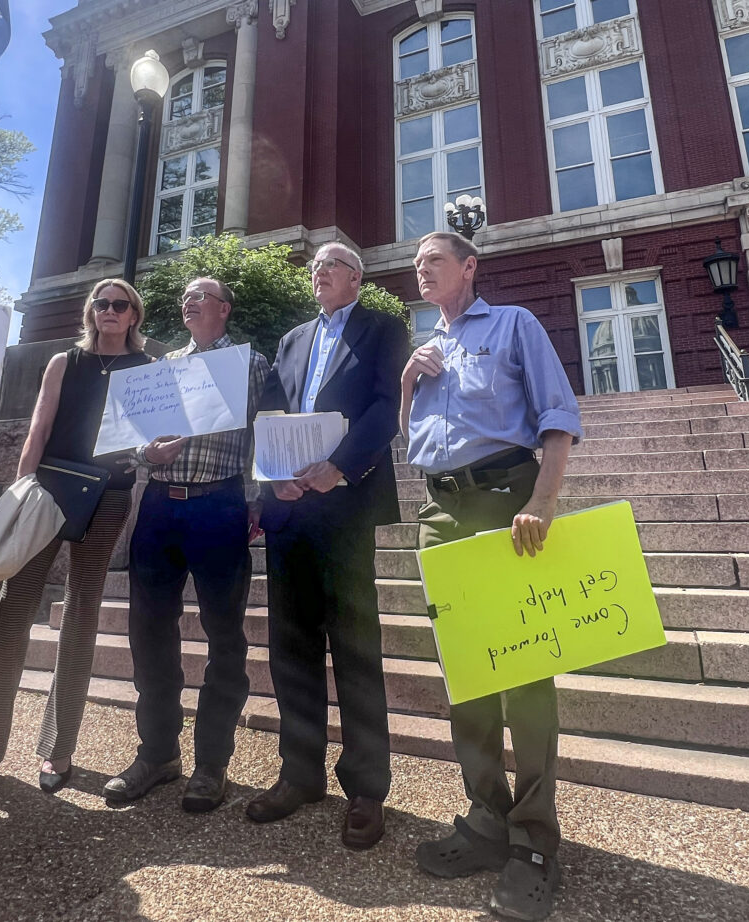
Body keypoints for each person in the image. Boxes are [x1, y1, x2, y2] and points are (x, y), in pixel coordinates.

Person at [402, 231, 583, 921]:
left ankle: (535, 841)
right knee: (466, 671)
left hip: (505, 504)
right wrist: (406, 382)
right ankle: (486, 816)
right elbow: (413, 437)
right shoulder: (426, 346)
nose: (422, 271)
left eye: (434, 262)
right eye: (417, 264)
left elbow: (558, 418)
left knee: (526, 672)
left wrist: (542, 501)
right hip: (438, 509)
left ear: (469, 268)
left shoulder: (513, 325)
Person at [0, 279, 154, 806]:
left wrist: (159, 450)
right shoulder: (65, 361)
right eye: (101, 302)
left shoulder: (147, 370)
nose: (109, 310)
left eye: (120, 304)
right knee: (15, 613)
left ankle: (58, 747)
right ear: (90, 311)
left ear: (134, 315)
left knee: (83, 611)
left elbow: (148, 438)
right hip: (48, 492)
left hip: (109, 496)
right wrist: (21, 493)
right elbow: (38, 430)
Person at [248, 242, 408, 850]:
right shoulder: (291, 340)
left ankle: (366, 787)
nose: (319, 273)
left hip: (344, 502)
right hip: (290, 509)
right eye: (314, 267)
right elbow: (271, 413)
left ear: (356, 278)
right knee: (291, 647)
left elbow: (386, 406)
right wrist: (273, 478)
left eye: (331, 265)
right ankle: (300, 774)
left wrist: (337, 467)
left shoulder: (382, 327)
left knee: (355, 647)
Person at [104, 276, 270, 813]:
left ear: (223, 308)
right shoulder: (160, 366)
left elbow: (262, 436)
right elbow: (129, 439)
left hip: (219, 505)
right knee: (148, 631)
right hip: (158, 506)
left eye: (201, 295)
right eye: (184, 298)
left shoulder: (249, 364)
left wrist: (256, 501)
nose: (189, 301)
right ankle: (156, 754)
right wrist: (144, 457)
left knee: (225, 634)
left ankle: (211, 763)